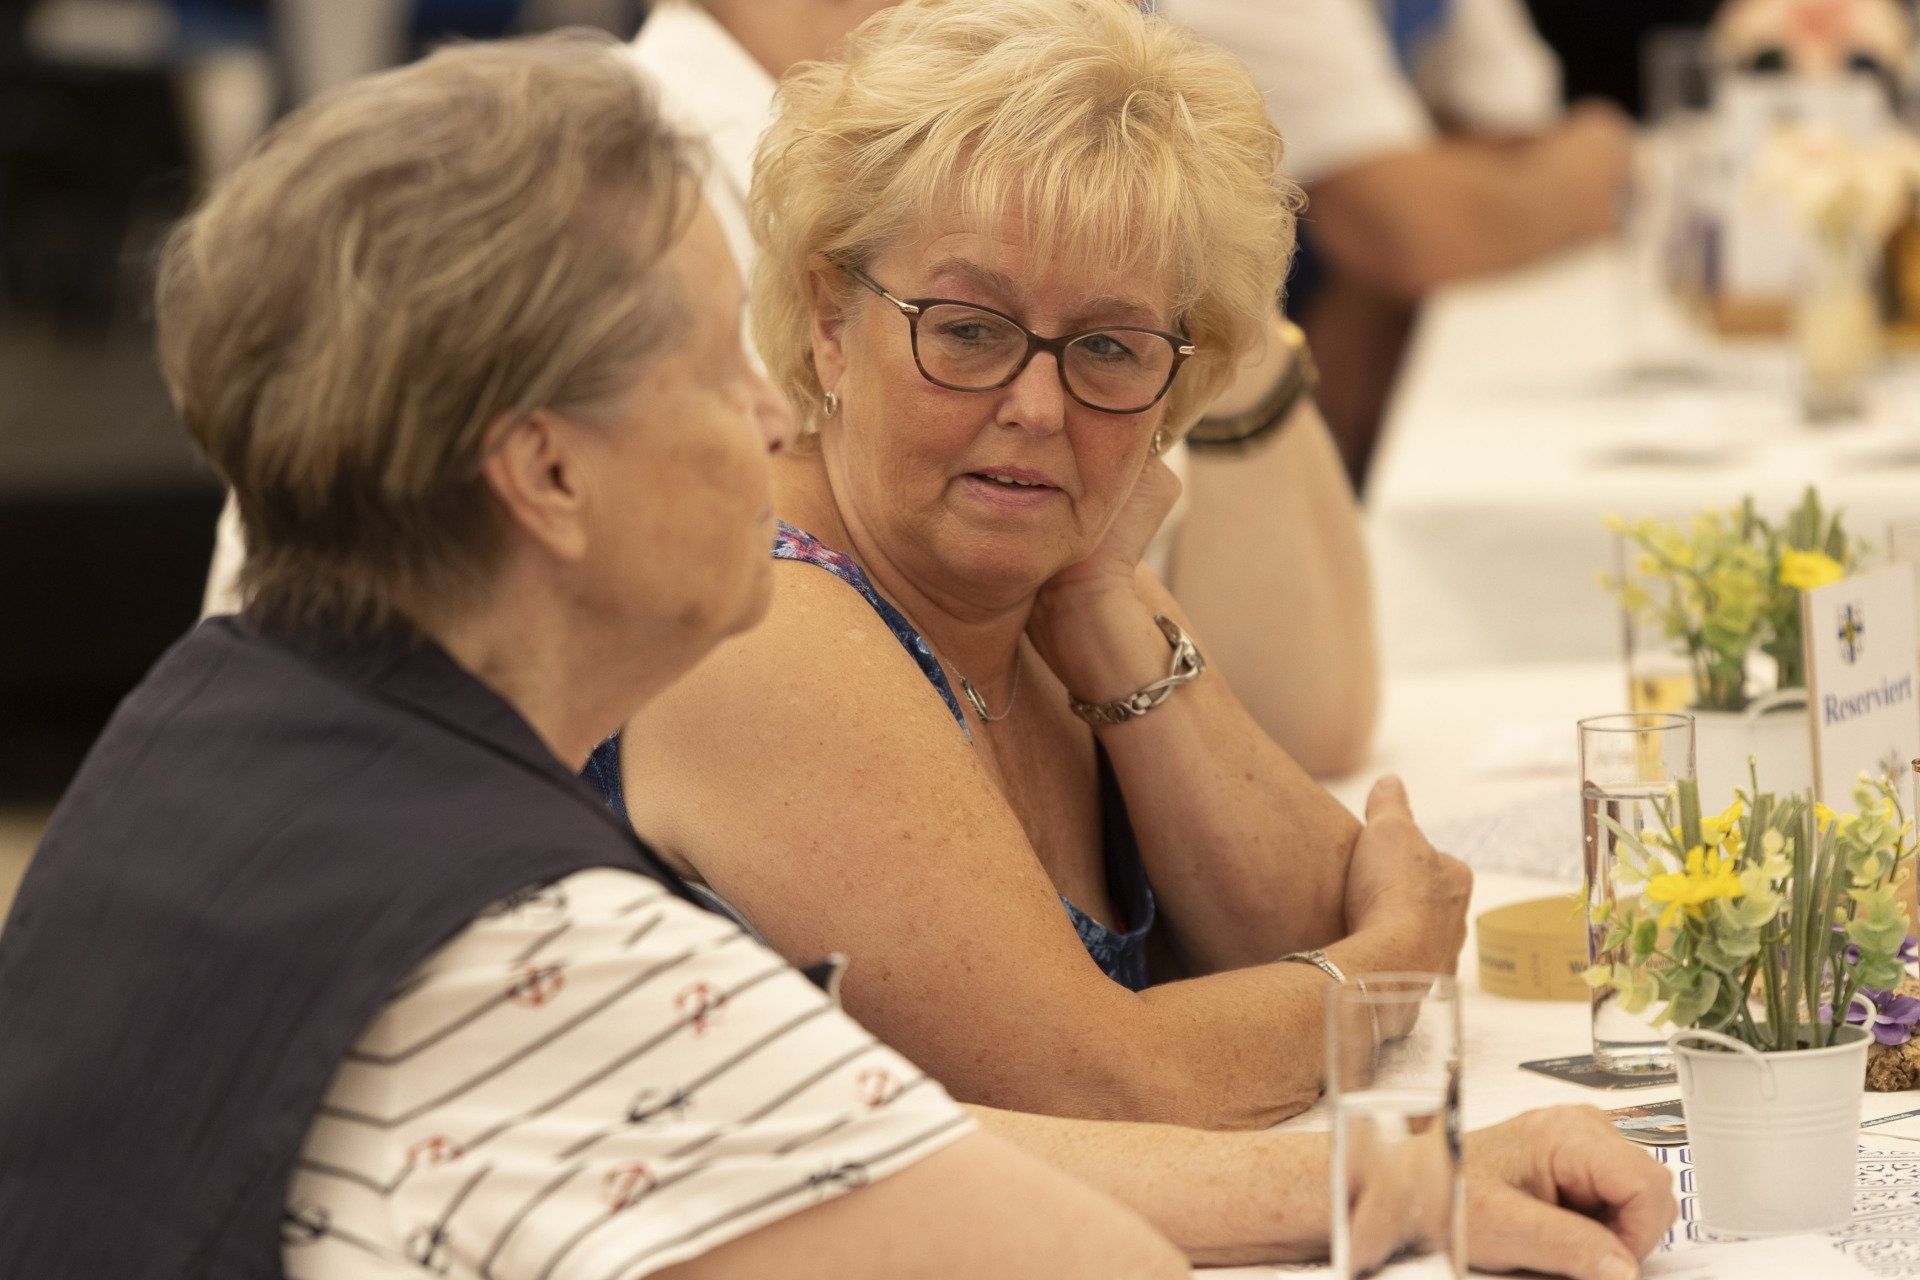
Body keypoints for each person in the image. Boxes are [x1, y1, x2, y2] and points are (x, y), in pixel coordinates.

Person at [0, 29, 1674, 1280]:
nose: (762, 414)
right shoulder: (523, 928)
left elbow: (828, 1127)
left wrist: (1381, 1141)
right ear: (546, 472)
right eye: (703, 367)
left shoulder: (234, 729)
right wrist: (1387, 1083)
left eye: (1111, 350)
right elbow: (1051, 1221)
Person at [599, 0, 1466, 1130]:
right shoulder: (761, 615)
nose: (1039, 408)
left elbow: (1300, 920)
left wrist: (1103, 608)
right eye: (968, 329)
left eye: (1109, 347)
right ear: (828, 321)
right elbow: (1101, 1083)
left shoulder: (1039, 563)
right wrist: (1397, 959)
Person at [202, 0, 1380, 776]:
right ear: (824, 312)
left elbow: (1311, 716)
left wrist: (1191, 256)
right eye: (968, 330)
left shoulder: (1060, 172)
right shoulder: (556, 195)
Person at [1157, 0, 1636, 484]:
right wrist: (1596, 150)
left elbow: (1511, 135)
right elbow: (1425, 238)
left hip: (1314, 396)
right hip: (1193, 431)